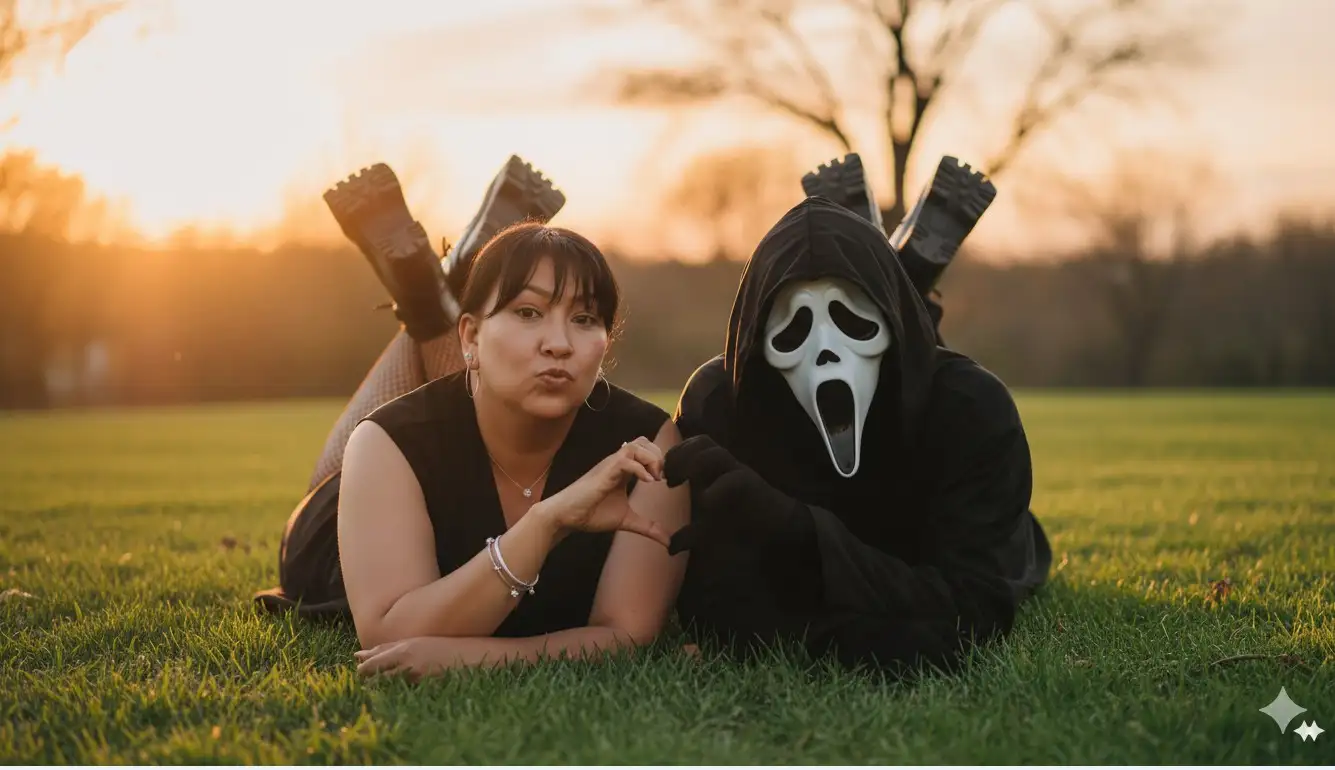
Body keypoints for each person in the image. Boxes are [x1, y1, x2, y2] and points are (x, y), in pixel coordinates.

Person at [255, 161, 690, 678]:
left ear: (605, 343)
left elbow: (628, 634)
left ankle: (433, 294)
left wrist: (466, 659)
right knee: (356, 453)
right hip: (343, 529)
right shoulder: (385, 442)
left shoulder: (647, 445)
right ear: (468, 336)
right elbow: (391, 631)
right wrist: (548, 522)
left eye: (584, 318)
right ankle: (433, 298)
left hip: (454, 390)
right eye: (528, 312)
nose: (559, 343)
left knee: (447, 393)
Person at [665, 154, 1051, 678]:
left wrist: (795, 532)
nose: (825, 352)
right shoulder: (721, 401)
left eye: (852, 319)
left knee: (916, 378)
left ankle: (900, 286)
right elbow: (711, 607)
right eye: (792, 330)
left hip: (932, 498)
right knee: (903, 349)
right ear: (758, 344)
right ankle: (892, 276)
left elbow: (973, 612)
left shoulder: (971, 409)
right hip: (894, 476)